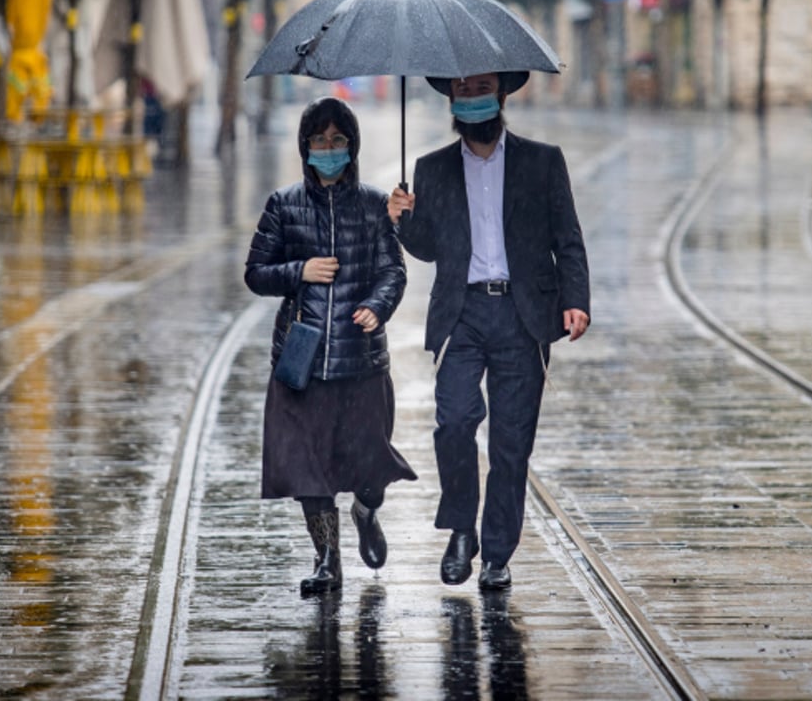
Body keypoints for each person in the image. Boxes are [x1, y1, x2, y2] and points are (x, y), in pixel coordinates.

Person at [387, 72, 590, 591]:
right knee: (454, 422)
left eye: (482, 90)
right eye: (464, 91)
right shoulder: (431, 168)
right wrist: (403, 218)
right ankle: (461, 530)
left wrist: (575, 302)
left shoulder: (542, 161)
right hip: (462, 313)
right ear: (451, 101)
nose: (473, 100)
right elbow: (429, 248)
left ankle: (497, 554)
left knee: (510, 443)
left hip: (524, 316)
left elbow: (567, 237)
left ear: (501, 96)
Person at [246, 96, 417, 595]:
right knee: (308, 469)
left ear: (352, 146)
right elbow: (255, 272)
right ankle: (327, 560)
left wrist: (377, 306)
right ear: (305, 147)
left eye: (337, 141)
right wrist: (299, 271)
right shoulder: (283, 204)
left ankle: (366, 509)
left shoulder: (371, 204)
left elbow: (394, 269)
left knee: (370, 463)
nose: (328, 149)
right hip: (301, 362)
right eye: (319, 141)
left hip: (360, 359)